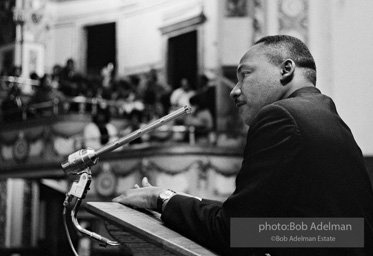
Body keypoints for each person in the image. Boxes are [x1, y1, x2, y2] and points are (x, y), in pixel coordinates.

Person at [112, 35, 373, 256]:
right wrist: (175, 198)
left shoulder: (281, 116)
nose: (234, 91)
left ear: (286, 69)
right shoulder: (324, 116)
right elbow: (285, 228)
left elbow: (237, 233)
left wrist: (160, 200)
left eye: (245, 75)